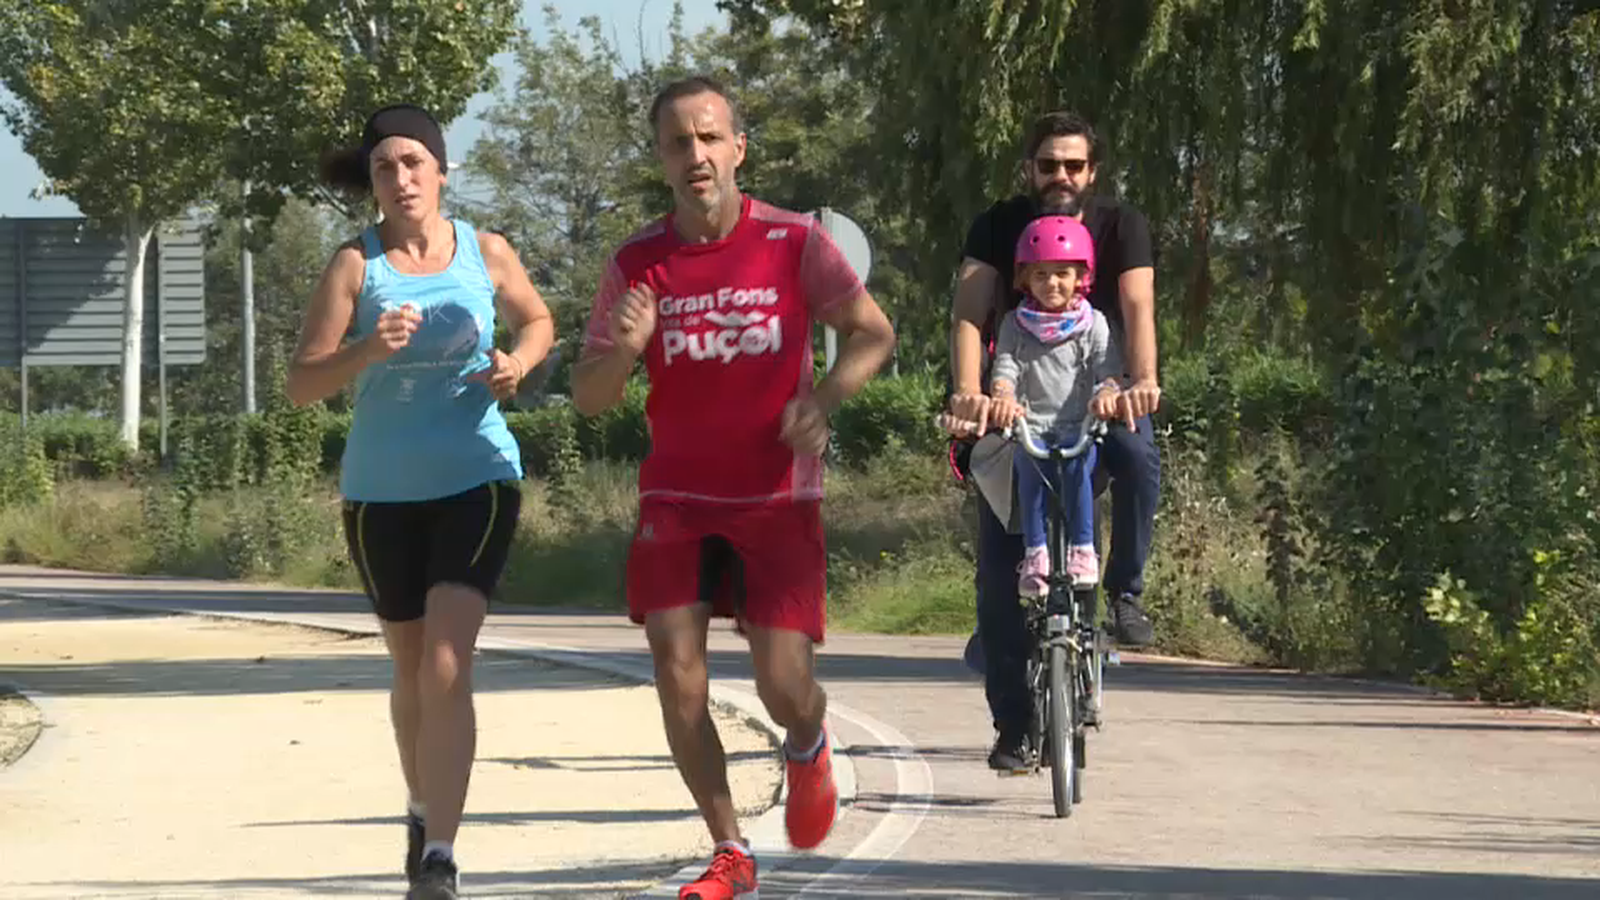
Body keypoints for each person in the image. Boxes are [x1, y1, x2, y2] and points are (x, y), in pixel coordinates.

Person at [571, 76, 896, 900]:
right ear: (661, 158)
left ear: (738, 148)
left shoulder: (792, 242)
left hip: (776, 497)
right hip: (677, 498)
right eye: (679, 142)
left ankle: (808, 740)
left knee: (783, 687)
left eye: (710, 137)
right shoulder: (636, 264)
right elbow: (589, 396)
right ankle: (729, 850)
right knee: (677, 672)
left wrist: (822, 401)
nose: (697, 155)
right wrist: (625, 350)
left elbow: (873, 333)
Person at [287, 104, 554, 900]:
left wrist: (518, 365)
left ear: (441, 170)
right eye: (384, 168)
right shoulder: (354, 266)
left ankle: (440, 856)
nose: (401, 179)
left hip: (478, 477)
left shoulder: (486, 251)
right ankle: (420, 806)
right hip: (381, 495)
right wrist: (368, 349)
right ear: (372, 182)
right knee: (410, 673)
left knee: (445, 661)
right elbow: (302, 384)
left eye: (413, 163)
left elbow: (539, 320)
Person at [946, 110, 1162, 772]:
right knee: (998, 576)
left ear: (1092, 172)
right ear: (1029, 169)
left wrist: (1142, 382)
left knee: (1137, 455)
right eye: (1048, 165)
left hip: (1100, 400)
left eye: (1073, 165)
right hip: (1018, 410)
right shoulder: (997, 224)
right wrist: (970, 393)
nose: (1060, 175)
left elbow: (1136, 308)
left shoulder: (1122, 225)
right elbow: (968, 314)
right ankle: (1015, 727)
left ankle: (1124, 592)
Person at [983, 215, 1124, 599]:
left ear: (1081, 277)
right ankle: (1036, 555)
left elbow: (1107, 368)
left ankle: (1083, 551)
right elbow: (1006, 367)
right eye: (1041, 274)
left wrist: (1107, 392)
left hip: (1079, 427)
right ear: (1025, 279)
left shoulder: (1093, 323)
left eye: (1062, 273)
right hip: (1033, 428)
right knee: (1027, 472)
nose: (1052, 283)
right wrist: (1003, 395)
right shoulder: (1015, 324)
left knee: (1078, 472)